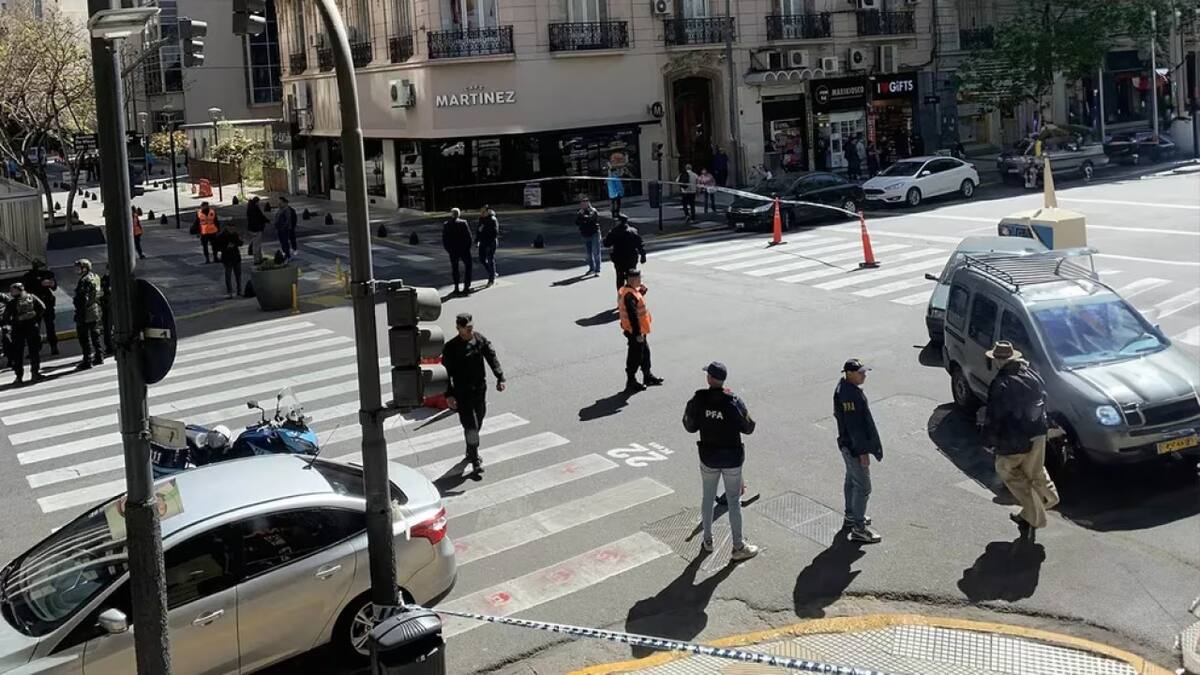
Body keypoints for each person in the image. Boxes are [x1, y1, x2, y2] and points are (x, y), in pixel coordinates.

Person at [983, 340, 1059, 542]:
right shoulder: (1031, 373)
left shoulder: (1001, 384)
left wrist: (990, 440)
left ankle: (1035, 515)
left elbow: (996, 417)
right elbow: (1045, 398)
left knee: (1008, 471)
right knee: (1034, 469)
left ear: (999, 361)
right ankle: (1049, 496)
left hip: (1015, 439)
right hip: (1038, 432)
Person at [682, 361, 759, 561]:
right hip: (732, 458)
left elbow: (689, 425)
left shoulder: (699, 399)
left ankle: (707, 540)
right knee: (734, 501)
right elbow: (749, 427)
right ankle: (738, 546)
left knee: (707, 497)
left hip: (708, 457)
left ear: (709, 379)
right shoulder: (733, 400)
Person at [442, 313, 506, 475]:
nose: (470, 330)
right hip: (462, 393)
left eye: (471, 327)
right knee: (471, 426)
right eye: (467, 328)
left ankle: (470, 449)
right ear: (458, 328)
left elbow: (491, 357)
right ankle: (475, 458)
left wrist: (500, 377)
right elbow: (444, 374)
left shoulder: (479, 339)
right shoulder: (451, 348)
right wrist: (448, 395)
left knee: (479, 421)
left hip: (479, 390)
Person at [833, 358, 883, 543]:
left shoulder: (845, 389)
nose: (864, 375)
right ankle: (859, 528)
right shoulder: (850, 396)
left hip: (847, 445)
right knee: (863, 486)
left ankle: (851, 515)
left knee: (851, 480)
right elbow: (855, 428)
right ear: (850, 374)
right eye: (861, 372)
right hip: (853, 448)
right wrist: (863, 453)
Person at [617, 269, 663, 392]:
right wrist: (637, 334)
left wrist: (642, 291)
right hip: (635, 332)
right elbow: (633, 315)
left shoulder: (630, 291)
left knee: (645, 353)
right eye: (639, 278)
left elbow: (637, 302)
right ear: (632, 280)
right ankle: (631, 381)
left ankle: (647, 376)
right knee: (635, 356)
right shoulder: (629, 295)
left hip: (640, 331)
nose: (640, 280)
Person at [3, 283, 46, 385]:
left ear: (17, 290)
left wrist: (12, 323)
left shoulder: (12, 303)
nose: (11, 292)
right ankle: (35, 374)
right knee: (34, 352)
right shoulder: (32, 297)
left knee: (18, 353)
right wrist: (35, 319)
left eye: (12, 290)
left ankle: (19, 376)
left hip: (18, 330)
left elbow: (6, 317)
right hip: (32, 327)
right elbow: (42, 307)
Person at [20, 260, 58, 356]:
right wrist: (40, 282)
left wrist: (51, 283)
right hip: (35, 304)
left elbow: (54, 286)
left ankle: (53, 346)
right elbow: (27, 288)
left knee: (50, 326)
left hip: (47, 303)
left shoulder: (48, 274)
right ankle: (35, 348)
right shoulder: (28, 276)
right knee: (34, 328)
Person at [72, 258, 104, 369]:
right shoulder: (95, 277)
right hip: (95, 308)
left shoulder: (84, 280)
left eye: (78, 268)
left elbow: (82, 298)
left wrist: (78, 307)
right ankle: (99, 356)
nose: (76, 270)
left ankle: (87, 360)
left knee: (84, 337)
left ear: (85, 268)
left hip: (85, 312)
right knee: (95, 335)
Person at [603, 214, 645, 291]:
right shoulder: (633, 231)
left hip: (619, 260)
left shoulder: (614, 232)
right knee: (632, 277)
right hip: (631, 259)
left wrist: (605, 238)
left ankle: (621, 296)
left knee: (620, 279)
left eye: (617, 221)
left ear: (620, 222)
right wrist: (643, 255)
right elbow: (640, 244)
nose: (615, 222)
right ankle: (633, 295)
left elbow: (607, 244)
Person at [442, 207, 474, 295]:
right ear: (459, 214)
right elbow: (469, 237)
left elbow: (445, 239)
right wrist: (467, 247)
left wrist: (449, 249)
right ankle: (466, 286)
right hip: (464, 249)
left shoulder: (447, 224)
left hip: (453, 250)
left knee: (455, 268)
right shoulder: (463, 223)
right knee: (468, 266)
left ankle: (456, 287)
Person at [213, 220, 244, 298]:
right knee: (228, 275)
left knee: (238, 275)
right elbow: (217, 247)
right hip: (227, 258)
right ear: (227, 228)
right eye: (231, 228)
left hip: (236, 256)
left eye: (233, 228)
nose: (232, 230)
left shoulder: (235, 234)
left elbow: (240, 243)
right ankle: (230, 291)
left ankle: (239, 290)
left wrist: (237, 242)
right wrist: (226, 247)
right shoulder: (222, 236)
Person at [576, 198, 602, 276]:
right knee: (588, 253)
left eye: (585, 203)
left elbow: (591, 219)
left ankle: (597, 269)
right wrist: (582, 218)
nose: (583, 205)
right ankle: (591, 268)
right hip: (585, 234)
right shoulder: (580, 212)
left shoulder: (593, 211)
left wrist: (583, 217)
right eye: (582, 203)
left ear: (588, 204)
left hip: (594, 233)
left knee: (596, 251)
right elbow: (577, 222)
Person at [476, 206, 499, 287]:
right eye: (481, 211)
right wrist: (477, 240)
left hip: (491, 242)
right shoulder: (481, 219)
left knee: (490, 258)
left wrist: (483, 230)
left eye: (483, 211)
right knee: (482, 259)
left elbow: (494, 233)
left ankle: (491, 279)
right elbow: (478, 230)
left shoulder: (492, 219)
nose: (481, 213)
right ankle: (492, 273)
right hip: (482, 242)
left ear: (487, 211)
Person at [245, 196, 268, 263]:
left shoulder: (250, 207)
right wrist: (267, 221)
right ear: (256, 202)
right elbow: (260, 216)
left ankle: (259, 258)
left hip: (252, 228)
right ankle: (257, 259)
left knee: (257, 244)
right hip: (256, 229)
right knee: (257, 244)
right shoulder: (254, 208)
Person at [99, 273, 114, 355]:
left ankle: (111, 346)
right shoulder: (104, 279)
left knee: (109, 327)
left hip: (112, 305)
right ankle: (109, 346)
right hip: (107, 306)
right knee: (107, 328)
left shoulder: (117, 278)